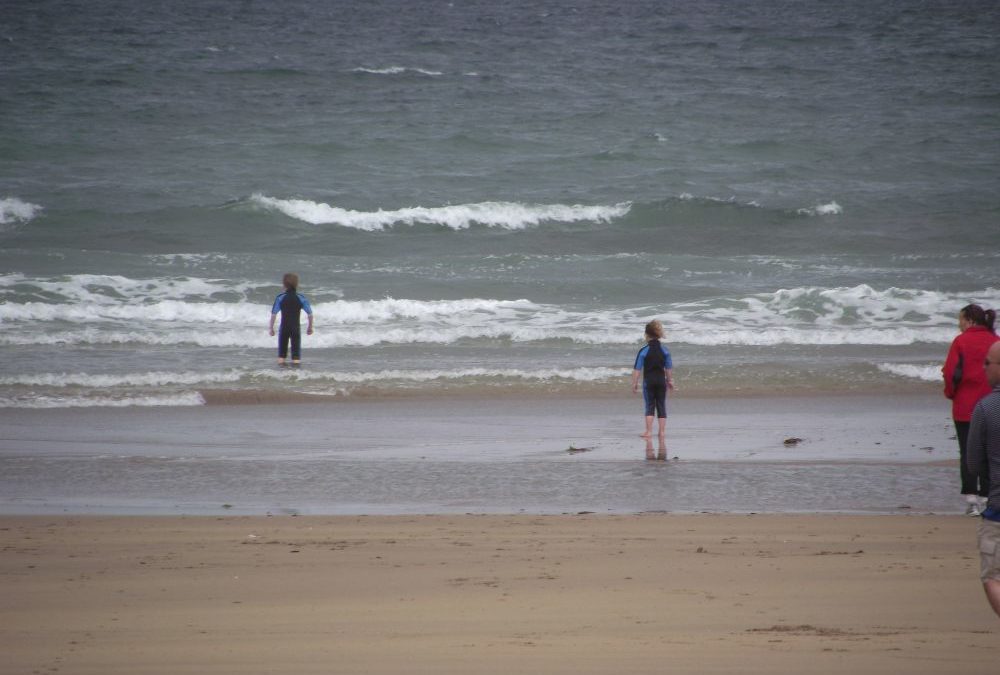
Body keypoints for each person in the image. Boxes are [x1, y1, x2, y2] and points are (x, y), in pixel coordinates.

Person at [942, 304, 999, 515]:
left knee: (967, 451)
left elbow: (951, 373)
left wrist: (950, 393)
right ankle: (987, 497)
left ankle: (971, 499)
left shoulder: (961, 341)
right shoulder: (995, 341)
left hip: (965, 405)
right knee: (991, 451)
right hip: (993, 404)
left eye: (960, 320)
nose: (959, 324)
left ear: (969, 320)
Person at [967, 341, 1000, 618]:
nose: (984, 368)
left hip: (998, 510)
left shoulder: (986, 408)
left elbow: (974, 464)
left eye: (988, 363)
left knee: (992, 578)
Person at [631, 320, 674, 442]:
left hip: (648, 382)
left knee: (649, 406)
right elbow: (668, 368)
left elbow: (637, 369)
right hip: (661, 382)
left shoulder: (643, 351)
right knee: (661, 406)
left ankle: (649, 432)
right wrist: (670, 381)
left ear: (646, 335)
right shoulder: (665, 350)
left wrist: (634, 383)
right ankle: (662, 432)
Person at [269, 272, 314, 365]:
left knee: (282, 355)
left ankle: (282, 375)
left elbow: (273, 314)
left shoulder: (280, 298)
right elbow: (310, 314)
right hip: (295, 329)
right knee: (296, 355)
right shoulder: (301, 298)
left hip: (284, 328)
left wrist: (271, 328)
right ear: (297, 284)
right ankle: (296, 375)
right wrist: (310, 327)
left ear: (284, 284)